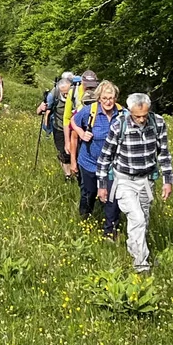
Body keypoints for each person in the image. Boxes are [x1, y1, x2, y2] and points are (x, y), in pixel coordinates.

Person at [95, 92, 173, 273]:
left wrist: (167, 179)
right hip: (124, 180)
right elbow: (105, 156)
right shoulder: (119, 125)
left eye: (144, 115)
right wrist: (102, 185)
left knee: (143, 220)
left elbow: (164, 153)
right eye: (137, 116)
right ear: (129, 111)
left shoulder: (158, 123)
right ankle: (141, 265)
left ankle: (135, 249)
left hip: (146, 180)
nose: (141, 119)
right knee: (137, 218)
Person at [71, 80, 122, 236]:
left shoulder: (122, 113)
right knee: (89, 193)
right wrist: (81, 133)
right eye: (105, 98)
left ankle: (111, 230)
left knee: (112, 197)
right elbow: (73, 121)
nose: (108, 101)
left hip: (112, 165)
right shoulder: (90, 111)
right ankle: (85, 220)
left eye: (111, 98)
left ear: (115, 98)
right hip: (90, 163)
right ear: (99, 98)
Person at [36, 74, 76, 181]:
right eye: (64, 94)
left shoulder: (75, 95)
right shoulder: (54, 94)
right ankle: (68, 176)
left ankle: (75, 173)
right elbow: (39, 111)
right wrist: (42, 108)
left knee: (75, 151)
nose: (66, 96)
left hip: (73, 129)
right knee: (63, 152)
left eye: (68, 93)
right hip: (58, 127)